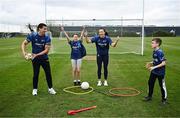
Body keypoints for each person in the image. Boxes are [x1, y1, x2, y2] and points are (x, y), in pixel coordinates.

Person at [21, 23, 56, 96]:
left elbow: (46, 50)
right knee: (36, 74)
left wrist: (37, 54)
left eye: (46, 29)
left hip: (44, 58)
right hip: (35, 59)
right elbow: (24, 44)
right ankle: (34, 89)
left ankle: (50, 88)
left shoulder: (47, 38)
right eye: (44, 29)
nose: (45, 30)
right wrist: (24, 53)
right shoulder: (32, 35)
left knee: (48, 73)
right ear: (39, 29)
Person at [144, 38, 167, 105]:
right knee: (150, 83)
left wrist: (153, 67)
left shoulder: (160, 52)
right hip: (154, 72)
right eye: (151, 43)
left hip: (160, 73)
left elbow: (163, 63)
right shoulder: (154, 51)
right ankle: (149, 96)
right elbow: (156, 61)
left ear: (157, 44)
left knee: (162, 86)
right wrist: (150, 63)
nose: (151, 44)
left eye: (152, 43)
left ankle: (164, 99)